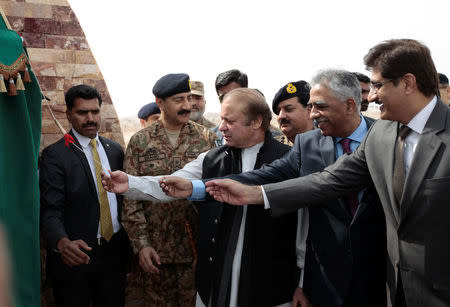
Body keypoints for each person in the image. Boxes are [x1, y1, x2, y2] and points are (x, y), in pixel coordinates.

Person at [205, 39, 450, 307]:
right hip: (393, 291)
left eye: (378, 85)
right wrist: (255, 194)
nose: (371, 97)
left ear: (408, 83)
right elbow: (329, 180)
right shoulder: (381, 134)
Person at [161, 70, 388, 307]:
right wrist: (196, 187)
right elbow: (268, 174)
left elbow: (325, 185)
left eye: (320, 106)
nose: (313, 114)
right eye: (310, 106)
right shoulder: (306, 143)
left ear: (350, 105)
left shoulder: (386, 138)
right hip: (327, 281)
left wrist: (257, 194)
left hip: (380, 271)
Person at [102, 88, 300, 307]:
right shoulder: (212, 158)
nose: (221, 126)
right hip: (214, 284)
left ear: (255, 122)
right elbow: (173, 183)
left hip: (269, 285)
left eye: (229, 121)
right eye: (222, 119)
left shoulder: (288, 159)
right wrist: (131, 183)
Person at [121, 73, 217, 306]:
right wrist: (142, 245)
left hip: (195, 249)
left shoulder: (206, 138)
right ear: (160, 103)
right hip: (156, 252)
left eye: (188, 98)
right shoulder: (140, 142)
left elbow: (214, 192)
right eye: (178, 100)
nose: (187, 106)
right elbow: (131, 199)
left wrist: (208, 248)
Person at [40, 85, 131, 307]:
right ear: (69, 115)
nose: (90, 118)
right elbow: (51, 209)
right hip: (76, 255)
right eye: (82, 113)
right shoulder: (55, 155)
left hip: (114, 253)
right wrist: (62, 242)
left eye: (95, 111)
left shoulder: (115, 150)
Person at [272, 80, 314, 146]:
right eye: (278, 111)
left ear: (309, 111)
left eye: (289, 109)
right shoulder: (272, 147)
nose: (280, 116)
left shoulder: (330, 142)